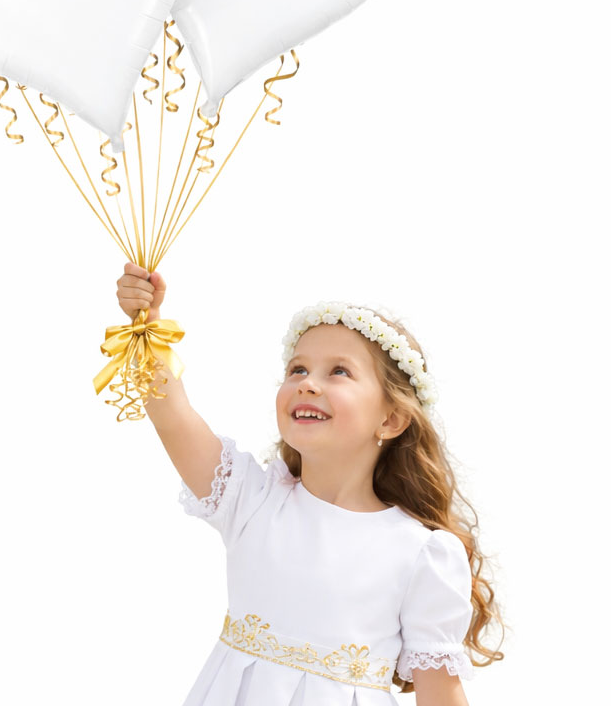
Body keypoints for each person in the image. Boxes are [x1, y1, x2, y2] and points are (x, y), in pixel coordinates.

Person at [115, 263, 504, 705]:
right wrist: (146, 322)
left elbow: (440, 696)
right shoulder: (252, 500)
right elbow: (172, 414)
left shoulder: (422, 554)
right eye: (297, 369)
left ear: (392, 419)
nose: (308, 384)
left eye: (339, 371)